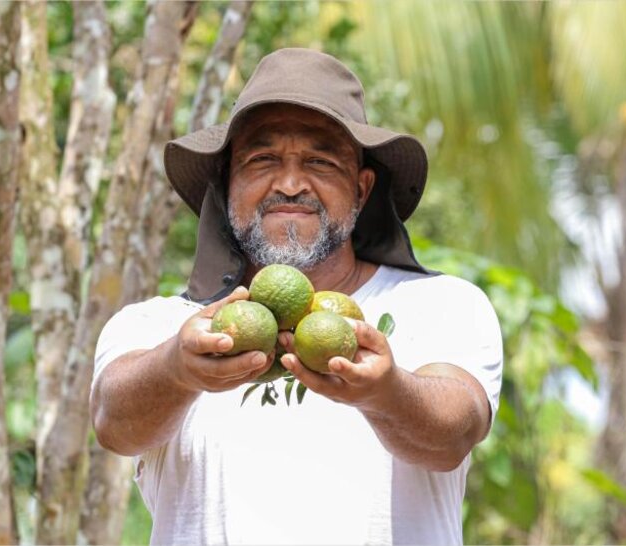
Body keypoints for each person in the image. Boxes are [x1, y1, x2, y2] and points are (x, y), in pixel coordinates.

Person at [90, 48, 503, 545]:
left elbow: (454, 434)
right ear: (227, 184)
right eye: (262, 159)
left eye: (320, 161)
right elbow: (114, 422)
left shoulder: (443, 306)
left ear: (362, 187)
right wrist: (177, 368)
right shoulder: (164, 327)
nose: (289, 184)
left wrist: (386, 390)